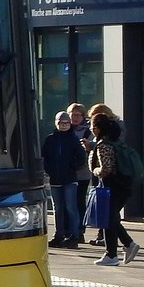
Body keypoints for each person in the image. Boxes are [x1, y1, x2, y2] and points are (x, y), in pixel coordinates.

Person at [85, 113, 140, 266]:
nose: (91, 129)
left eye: (92, 126)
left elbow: (106, 169)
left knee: (108, 219)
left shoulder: (103, 145)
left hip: (111, 187)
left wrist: (95, 170)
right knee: (112, 218)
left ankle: (112, 254)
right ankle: (128, 245)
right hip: (123, 186)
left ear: (97, 128)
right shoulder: (117, 142)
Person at [43, 110, 86, 248]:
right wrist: (48, 170)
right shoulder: (50, 139)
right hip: (55, 179)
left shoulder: (73, 139)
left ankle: (74, 235)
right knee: (58, 208)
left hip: (69, 179)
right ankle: (59, 235)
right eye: (61, 123)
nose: (64, 125)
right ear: (56, 123)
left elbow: (81, 157)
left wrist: (72, 167)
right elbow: (44, 157)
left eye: (67, 123)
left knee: (70, 207)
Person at [66, 103, 91, 242]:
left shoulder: (87, 132)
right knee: (67, 202)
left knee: (79, 201)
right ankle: (68, 230)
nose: (74, 118)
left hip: (82, 173)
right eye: (72, 115)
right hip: (66, 173)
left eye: (77, 115)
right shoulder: (64, 129)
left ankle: (80, 230)